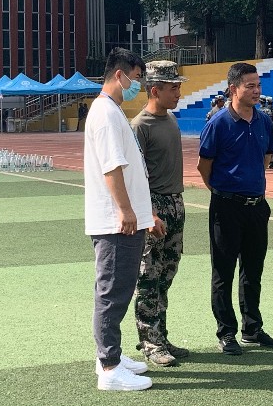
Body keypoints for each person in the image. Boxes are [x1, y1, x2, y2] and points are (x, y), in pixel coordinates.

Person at [197, 62, 273, 356]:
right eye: (250, 86)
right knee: (224, 271)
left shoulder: (264, 121)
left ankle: (252, 328)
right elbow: (204, 166)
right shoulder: (218, 123)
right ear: (234, 88)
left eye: (258, 85)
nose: (257, 91)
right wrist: (223, 191)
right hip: (226, 206)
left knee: (253, 269)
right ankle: (226, 332)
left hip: (256, 206)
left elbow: (266, 157)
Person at [84, 47, 154, 391]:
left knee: (119, 290)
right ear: (119, 75)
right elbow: (112, 168)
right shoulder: (106, 114)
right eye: (136, 78)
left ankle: (110, 356)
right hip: (116, 222)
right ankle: (109, 367)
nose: (137, 85)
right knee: (112, 293)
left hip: (124, 219)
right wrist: (126, 211)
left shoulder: (111, 110)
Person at [131, 61, 190, 367]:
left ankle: (160, 335)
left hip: (175, 202)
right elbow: (136, 176)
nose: (178, 93)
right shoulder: (140, 126)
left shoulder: (170, 119)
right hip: (154, 206)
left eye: (179, 87)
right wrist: (150, 214)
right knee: (148, 277)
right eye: (173, 88)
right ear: (155, 90)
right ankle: (150, 342)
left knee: (166, 275)